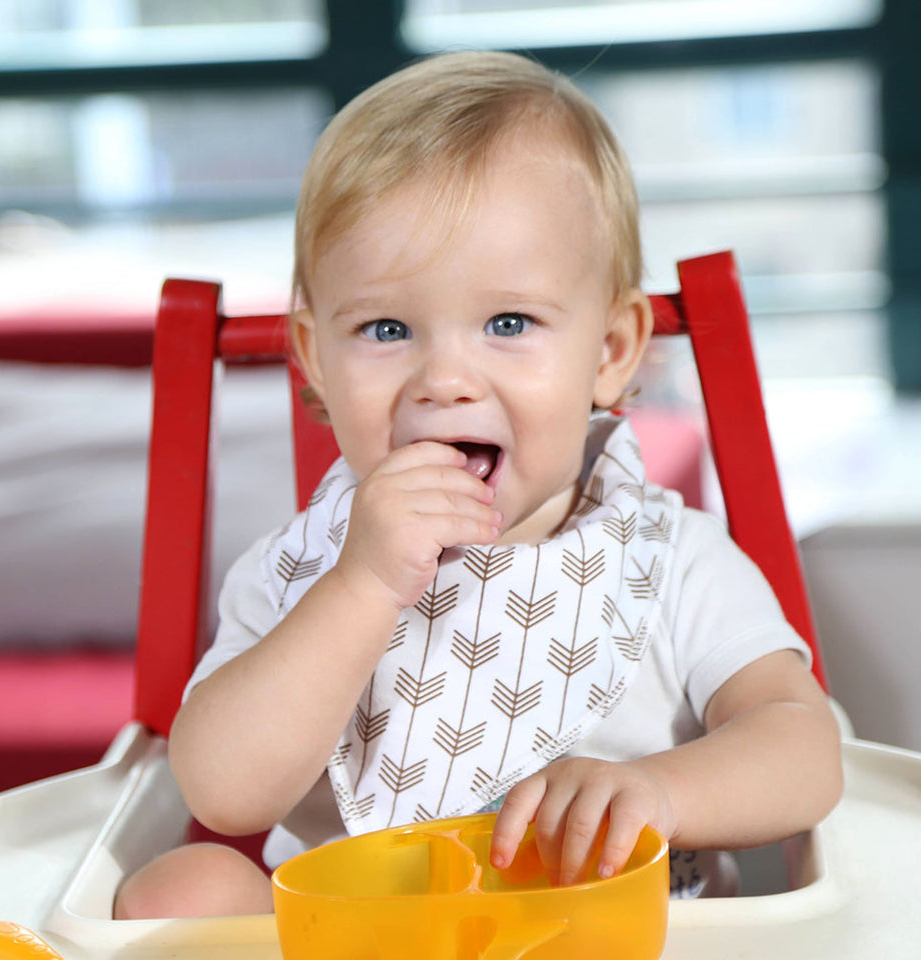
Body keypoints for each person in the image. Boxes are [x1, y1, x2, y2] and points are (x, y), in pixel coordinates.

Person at [115, 50, 842, 919]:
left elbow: (806, 748)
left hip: (606, 935)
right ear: (313, 359)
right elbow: (223, 795)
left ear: (610, 353)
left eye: (508, 322)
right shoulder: (300, 570)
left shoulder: (671, 559)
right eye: (386, 327)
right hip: (363, 937)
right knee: (180, 892)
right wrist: (364, 583)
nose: (444, 379)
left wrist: (661, 791)